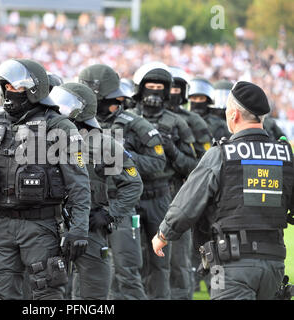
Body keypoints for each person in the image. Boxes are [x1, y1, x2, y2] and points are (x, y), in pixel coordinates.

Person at [0, 59, 91, 300]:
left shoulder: (60, 127)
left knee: (45, 294)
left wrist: (79, 229)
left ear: (34, 90)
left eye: (16, 88)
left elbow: (78, 183)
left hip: (41, 226)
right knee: (0, 294)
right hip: (0, 226)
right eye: (6, 86)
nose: (10, 93)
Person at [153, 81, 294, 300]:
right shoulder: (285, 156)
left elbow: (187, 204)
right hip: (274, 265)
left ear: (234, 115)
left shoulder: (221, 154)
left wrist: (163, 234)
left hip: (229, 266)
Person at [49, 82, 143, 299]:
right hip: (49, 225)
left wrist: (110, 213)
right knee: (47, 291)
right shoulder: (46, 137)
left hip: (90, 227)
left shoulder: (105, 144)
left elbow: (133, 184)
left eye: (65, 104)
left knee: (93, 294)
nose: (59, 109)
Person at [78, 63, 165, 300]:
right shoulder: (75, 124)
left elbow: (158, 162)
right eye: (109, 98)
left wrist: (122, 156)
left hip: (120, 207)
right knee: (82, 275)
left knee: (126, 274)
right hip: (85, 208)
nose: (114, 103)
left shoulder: (134, 123)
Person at [132, 62, 197, 299]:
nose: (154, 92)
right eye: (150, 86)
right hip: (131, 196)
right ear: (140, 89)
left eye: (160, 87)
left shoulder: (178, 122)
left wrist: (172, 150)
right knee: (131, 261)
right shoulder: (127, 119)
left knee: (164, 262)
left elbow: (193, 167)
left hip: (163, 196)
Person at [166, 66, 213, 299]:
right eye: (169, 87)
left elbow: (202, 166)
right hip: (147, 196)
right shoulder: (140, 118)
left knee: (180, 260)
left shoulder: (193, 122)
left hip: (182, 194)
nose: (172, 92)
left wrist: (174, 153)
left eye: (177, 88)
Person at [189, 77, 231, 142]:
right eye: (194, 98)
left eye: (201, 98)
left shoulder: (219, 124)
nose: (197, 102)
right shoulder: (182, 118)